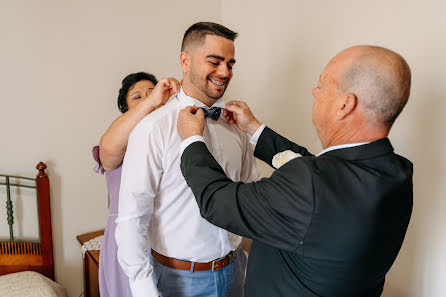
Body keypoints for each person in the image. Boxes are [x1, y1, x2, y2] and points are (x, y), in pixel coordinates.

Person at [177, 45, 413, 297]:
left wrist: (191, 140)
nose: (314, 92)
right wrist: (256, 129)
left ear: (345, 105)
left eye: (322, 86)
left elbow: (217, 201)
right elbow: (322, 167)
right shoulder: (396, 171)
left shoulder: (310, 183)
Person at [115, 22, 260, 297]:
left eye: (230, 64)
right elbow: (132, 218)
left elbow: (251, 192)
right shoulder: (152, 129)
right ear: (185, 60)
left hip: (235, 270)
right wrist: (144, 290)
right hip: (177, 280)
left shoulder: (236, 124)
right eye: (215, 61)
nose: (225, 72)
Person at [93, 72, 179, 297]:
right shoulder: (117, 142)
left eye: (152, 92)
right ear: (126, 108)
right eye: (137, 97)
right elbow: (108, 155)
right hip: (127, 236)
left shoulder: (169, 135)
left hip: (166, 233)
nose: (148, 99)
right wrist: (151, 102)